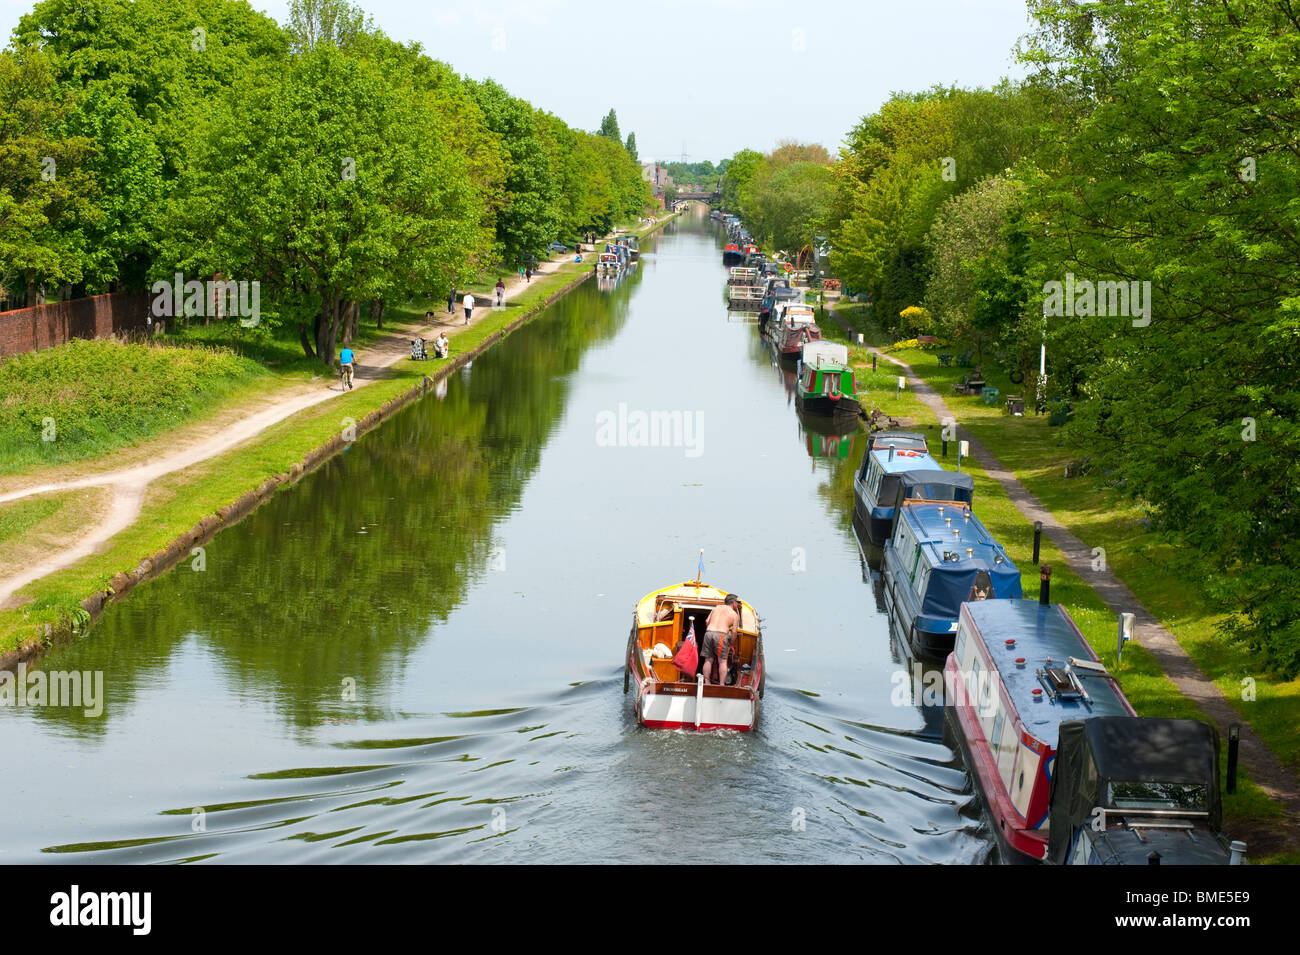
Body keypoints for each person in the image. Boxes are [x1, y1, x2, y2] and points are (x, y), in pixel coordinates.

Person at [700, 594, 741, 686]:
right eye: (737, 603)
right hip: (721, 635)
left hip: (708, 633)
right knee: (722, 661)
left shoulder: (716, 608)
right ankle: (722, 684)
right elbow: (734, 632)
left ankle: (707, 683)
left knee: (708, 660)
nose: (738, 605)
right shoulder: (734, 615)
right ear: (734, 603)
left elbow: (707, 621)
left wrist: (711, 631)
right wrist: (731, 645)